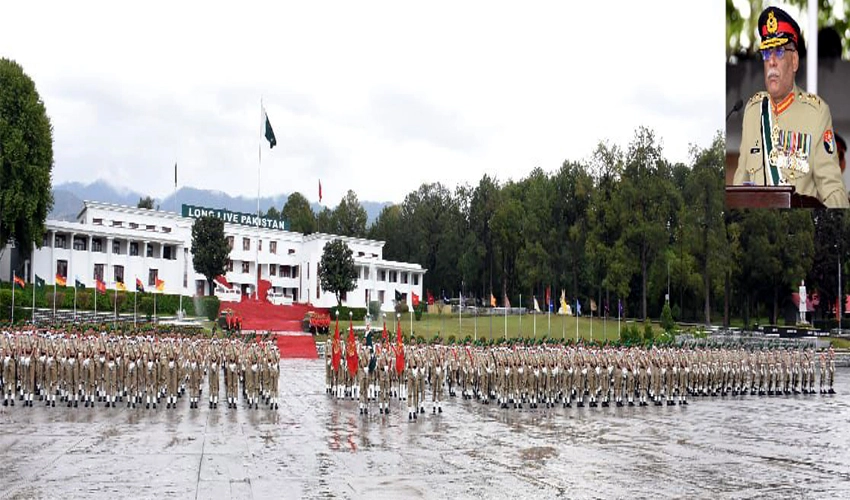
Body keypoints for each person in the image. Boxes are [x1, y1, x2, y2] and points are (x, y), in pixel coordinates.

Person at [733, 7, 849, 208]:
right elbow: (739, 186)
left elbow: (833, 191)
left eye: (778, 51)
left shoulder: (816, 114)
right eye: (766, 52)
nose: (771, 61)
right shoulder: (752, 111)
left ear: (794, 61)